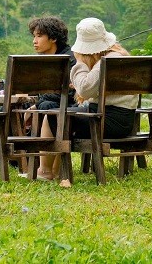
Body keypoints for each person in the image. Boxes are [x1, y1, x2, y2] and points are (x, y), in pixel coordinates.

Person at [36, 17, 137, 182]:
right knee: (59, 115)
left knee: (51, 117)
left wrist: (80, 64)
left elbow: (84, 88)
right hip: (125, 120)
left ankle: (45, 172)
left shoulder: (105, 61)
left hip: (104, 121)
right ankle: (53, 171)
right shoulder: (122, 55)